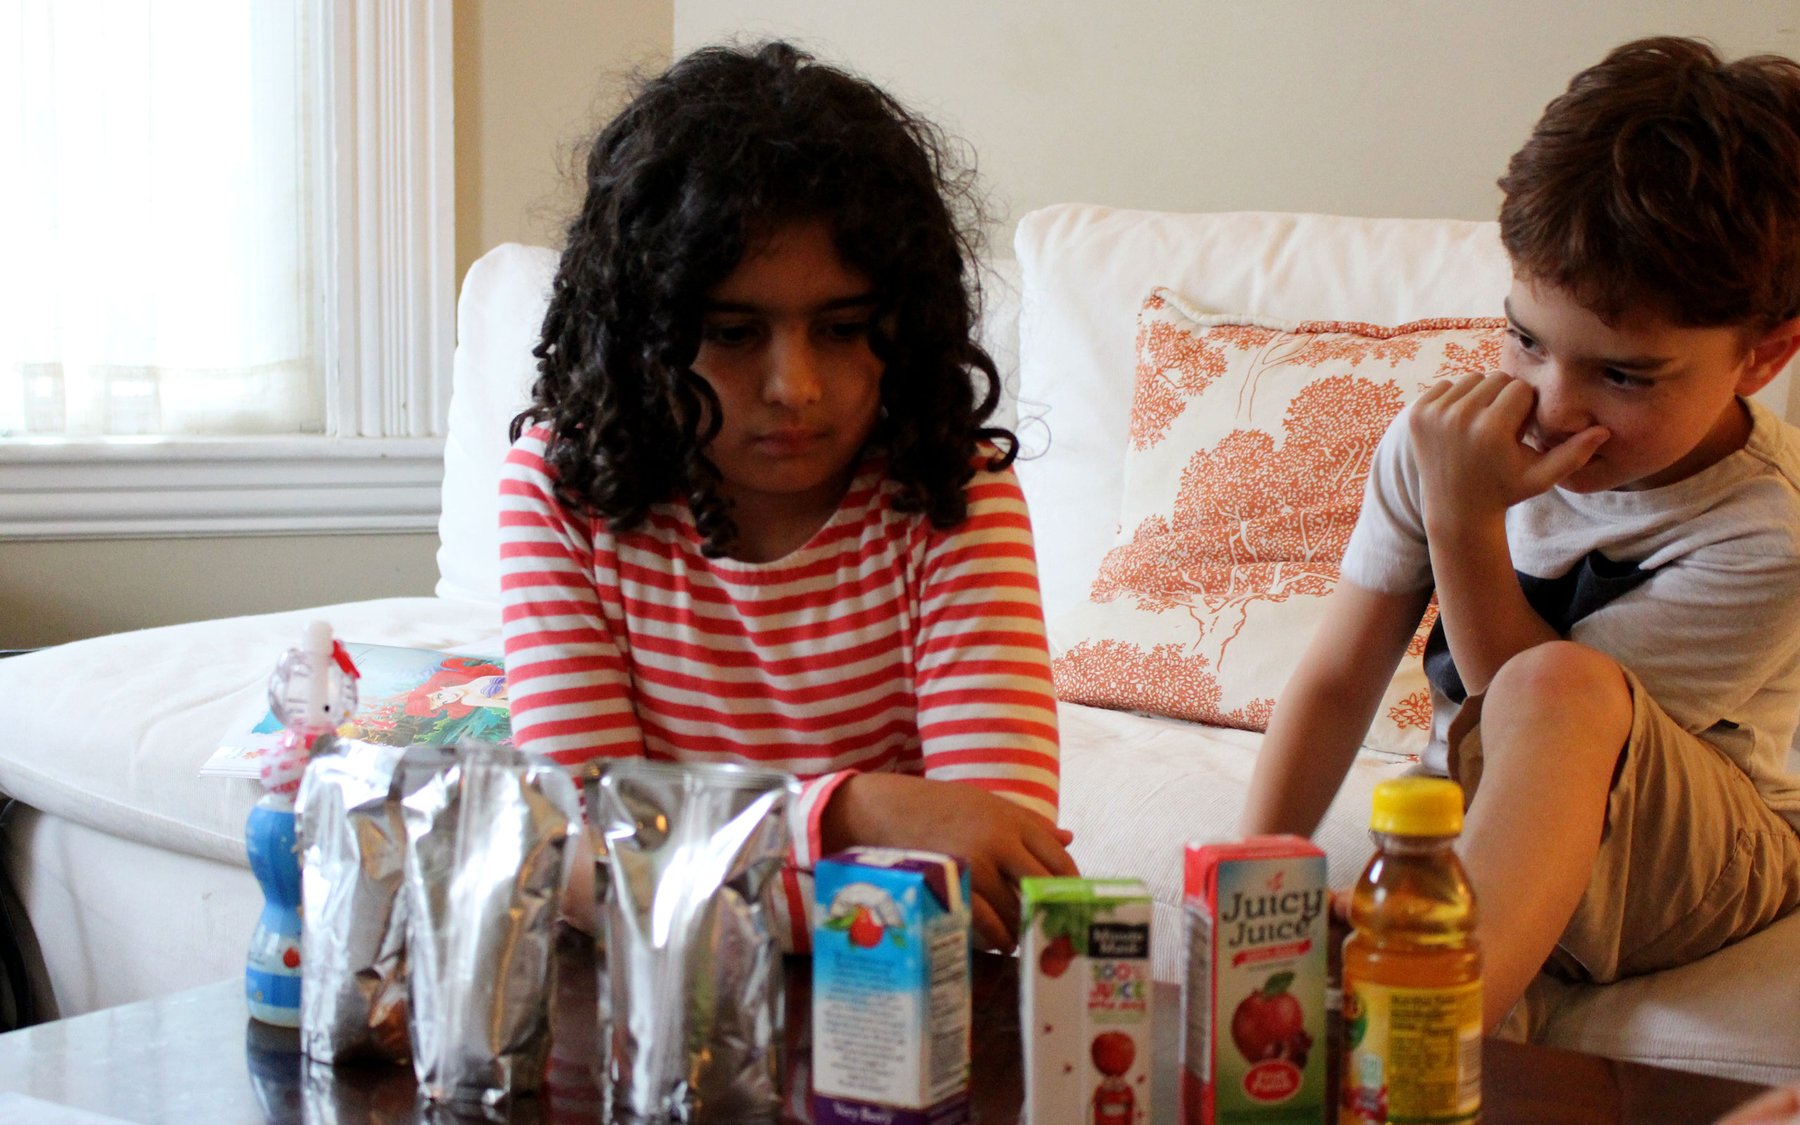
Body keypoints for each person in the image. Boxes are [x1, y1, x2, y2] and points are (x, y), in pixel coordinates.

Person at [1238, 35, 1800, 1032]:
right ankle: (1453, 1000)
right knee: (1423, 944)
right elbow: (1334, 682)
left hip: (1699, 860)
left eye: (1623, 375)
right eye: (1527, 340)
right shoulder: (1445, 441)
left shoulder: (1767, 529)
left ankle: (1423, 1029)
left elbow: (1535, 725)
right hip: (1493, 840)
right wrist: (1250, 883)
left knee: (1556, 685)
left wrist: (1466, 519)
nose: (1553, 402)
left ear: (1763, 357)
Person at [499, 40, 1075, 951]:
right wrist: (856, 814)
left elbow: (990, 881)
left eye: (844, 329)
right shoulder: (563, 486)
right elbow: (572, 853)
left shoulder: (951, 489)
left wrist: (679, 878)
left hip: (910, 1030)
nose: (795, 386)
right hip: (647, 1030)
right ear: (645, 335)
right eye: (732, 331)